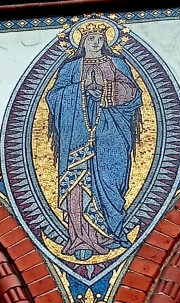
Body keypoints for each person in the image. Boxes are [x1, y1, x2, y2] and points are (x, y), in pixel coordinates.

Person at [46, 22, 143, 261]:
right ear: (82, 42)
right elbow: (54, 96)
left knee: (112, 178)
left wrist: (107, 91)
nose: (96, 43)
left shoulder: (117, 63)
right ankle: (81, 237)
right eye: (91, 39)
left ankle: (110, 231)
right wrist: (81, 89)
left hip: (112, 129)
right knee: (78, 181)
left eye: (100, 39)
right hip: (77, 132)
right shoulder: (70, 68)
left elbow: (134, 94)